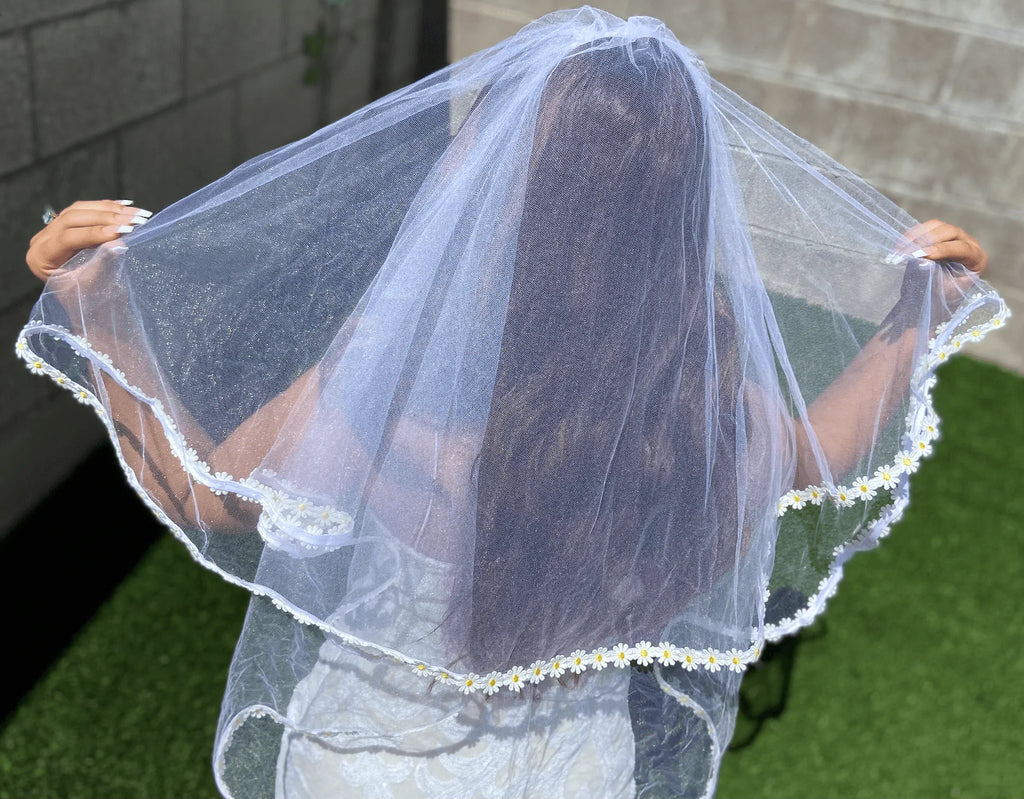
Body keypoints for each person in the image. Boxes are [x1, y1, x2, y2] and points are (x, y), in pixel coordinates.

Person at [19, 7, 1006, 798]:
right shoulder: (708, 419)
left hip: (364, 773)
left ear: (494, 195)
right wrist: (915, 318)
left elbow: (205, 495)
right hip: (576, 775)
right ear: (681, 214)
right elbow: (816, 453)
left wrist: (104, 314)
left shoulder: (392, 398)